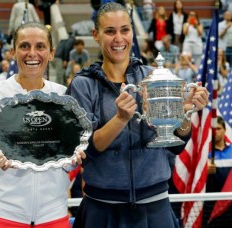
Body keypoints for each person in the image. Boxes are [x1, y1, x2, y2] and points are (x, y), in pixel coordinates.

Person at [67, 3, 209, 227]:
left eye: (125, 30)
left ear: (132, 32)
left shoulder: (155, 77)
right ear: (96, 35)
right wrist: (120, 119)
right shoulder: (83, 85)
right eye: (110, 31)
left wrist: (184, 113)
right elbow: (87, 150)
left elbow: (176, 144)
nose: (119, 39)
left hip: (156, 205)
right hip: (102, 207)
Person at [0, 21, 85, 227]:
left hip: (53, 216)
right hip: (1, 216)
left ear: (51, 53)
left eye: (40, 46)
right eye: (25, 46)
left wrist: (71, 158)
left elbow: (65, 161)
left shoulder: (64, 97)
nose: (32, 53)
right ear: (12, 52)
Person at [203, 116, 232, 227]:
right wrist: (205, 172)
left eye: (219, 128)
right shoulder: (204, 151)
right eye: (213, 129)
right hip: (210, 203)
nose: (216, 132)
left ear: (225, 130)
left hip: (229, 202)